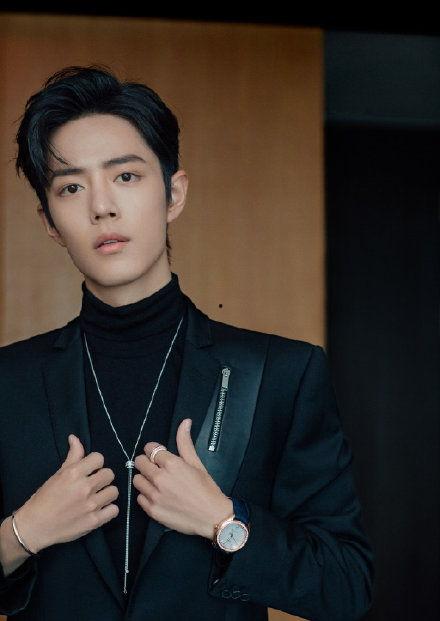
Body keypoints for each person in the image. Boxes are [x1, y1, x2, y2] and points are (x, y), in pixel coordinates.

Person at [0, 65, 374, 621]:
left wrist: (224, 522)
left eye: (126, 176)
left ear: (173, 193)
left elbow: (347, 585)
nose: (101, 206)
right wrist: (22, 532)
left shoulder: (281, 373)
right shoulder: (9, 382)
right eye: (71, 187)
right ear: (50, 221)